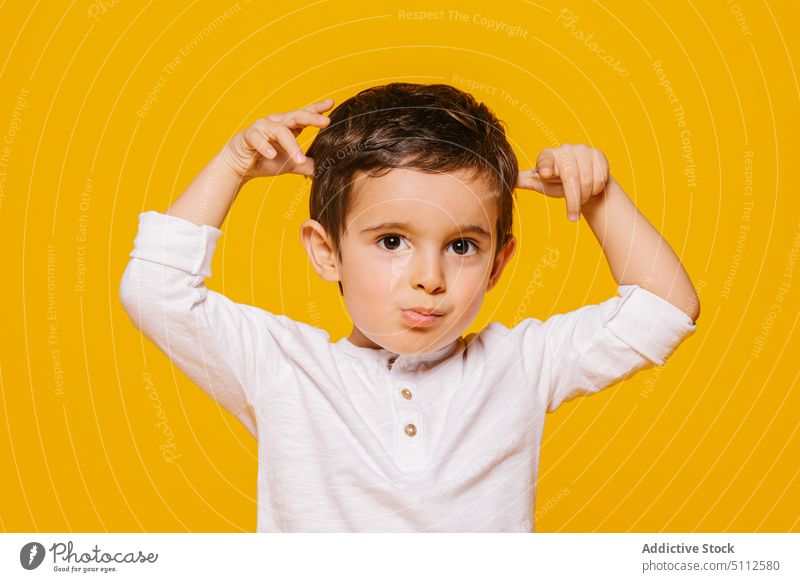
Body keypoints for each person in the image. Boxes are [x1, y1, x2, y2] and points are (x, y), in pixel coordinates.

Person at [119, 82, 700, 532]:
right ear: (327, 252)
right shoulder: (282, 368)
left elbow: (664, 309)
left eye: (462, 246)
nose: (430, 278)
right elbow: (155, 289)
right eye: (392, 241)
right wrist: (232, 165)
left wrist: (599, 198)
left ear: (498, 263)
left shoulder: (518, 364)